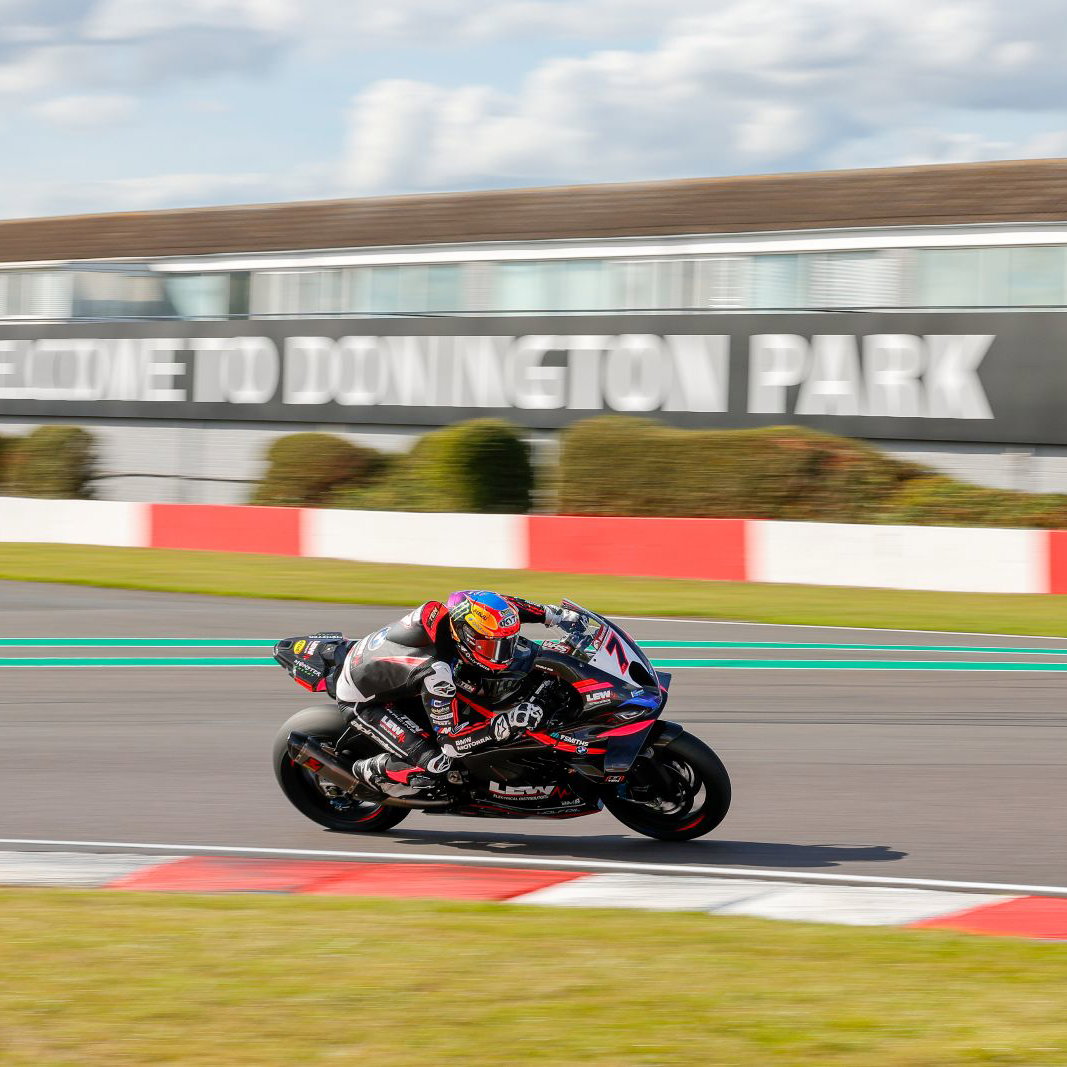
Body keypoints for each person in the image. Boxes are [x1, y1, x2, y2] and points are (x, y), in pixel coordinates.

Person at [335, 590, 580, 798]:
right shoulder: (437, 673)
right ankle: (371, 771)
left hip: (386, 670)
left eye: (507, 642)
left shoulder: (462, 608)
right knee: (436, 765)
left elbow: (504, 606)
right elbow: (452, 743)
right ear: (465, 636)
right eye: (491, 646)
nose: (504, 654)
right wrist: (506, 722)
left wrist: (555, 615)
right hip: (364, 701)